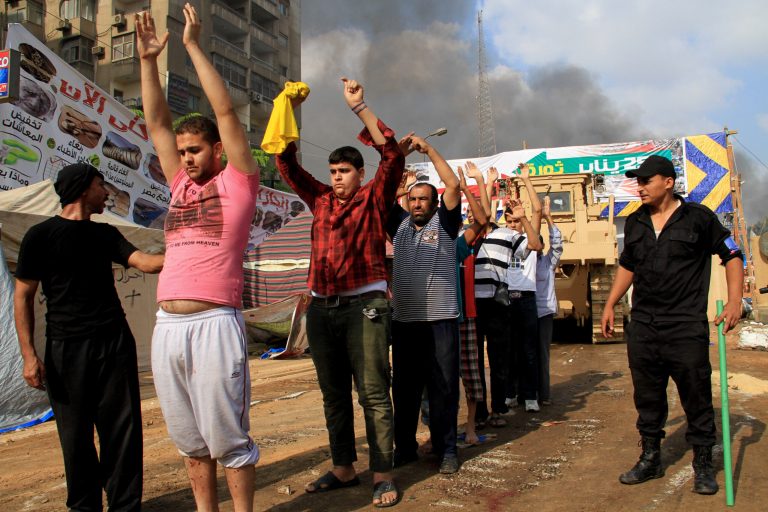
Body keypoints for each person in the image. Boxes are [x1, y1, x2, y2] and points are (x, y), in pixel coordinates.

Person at [137, 5, 261, 511]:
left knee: (229, 440)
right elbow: (156, 123)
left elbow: (227, 114)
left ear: (216, 149)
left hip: (215, 323)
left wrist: (190, 46)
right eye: (182, 151)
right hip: (168, 326)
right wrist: (148, 62)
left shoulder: (239, 183)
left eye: (195, 149)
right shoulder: (178, 187)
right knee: (190, 444)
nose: (185, 157)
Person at [276, 78, 404, 507]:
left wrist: (359, 106)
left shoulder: (374, 198)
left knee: (371, 393)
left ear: (360, 174)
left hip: (365, 306)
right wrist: (288, 109)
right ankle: (344, 467)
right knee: (333, 395)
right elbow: (287, 165)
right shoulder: (320, 200)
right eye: (332, 172)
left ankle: (383, 472)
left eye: (344, 172)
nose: (336, 179)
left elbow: (392, 152)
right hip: (321, 307)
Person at [14, 163, 164, 512]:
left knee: (122, 433)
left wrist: (192, 251)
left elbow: (144, 262)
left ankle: (125, 506)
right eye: (101, 185)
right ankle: (84, 507)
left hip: (113, 343)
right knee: (75, 436)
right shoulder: (40, 235)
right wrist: (28, 356)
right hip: (65, 349)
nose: (106, 192)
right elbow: (22, 296)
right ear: (83, 189)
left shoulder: (106, 235)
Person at [600, 155, 743, 495]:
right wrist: (610, 303)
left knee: (696, 396)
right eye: (638, 181)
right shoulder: (635, 222)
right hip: (645, 326)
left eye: (646, 181)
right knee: (647, 398)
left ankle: (703, 464)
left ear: (668, 182)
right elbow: (628, 265)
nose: (640, 187)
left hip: (685, 326)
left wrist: (736, 301)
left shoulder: (698, 218)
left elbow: (733, 255)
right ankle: (650, 459)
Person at [387, 135, 462, 474]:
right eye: (412, 199)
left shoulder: (445, 225)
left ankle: (447, 450)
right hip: (404, 324)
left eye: (423, 199)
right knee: (403, 392)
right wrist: (397, 158)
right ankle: (405, 449)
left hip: (440, 323)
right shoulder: (399, 226)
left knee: (443, 390)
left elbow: (453, 184)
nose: (417, 204)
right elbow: (381, 192)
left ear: (434, 203)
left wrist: (429, 150)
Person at [474, 191, 542, 427]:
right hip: (471, 306)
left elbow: (536, 244)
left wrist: (523, 219)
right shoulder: (469, 235)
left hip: (496, 303)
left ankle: (498, 408)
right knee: (474, 363)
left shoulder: (509, 235)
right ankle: (479, 413)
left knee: (499, 358)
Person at [455, 163, 490, 445]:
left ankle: (469, 428)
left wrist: (471, 184)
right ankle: (440, 432)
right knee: (439, 380)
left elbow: (484, 217)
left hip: (466, 315)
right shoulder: (433, 240)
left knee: (470, 376)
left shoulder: (463, 242)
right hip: (440, 318)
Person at [535, 196, 563, 405]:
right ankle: (525, 394)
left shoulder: (547, 263)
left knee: (542, 355)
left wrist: (548, 218)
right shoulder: (520, 260)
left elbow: (557, 245)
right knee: (524, 354)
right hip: (524, 312)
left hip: (543, 313)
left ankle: (543, 394)